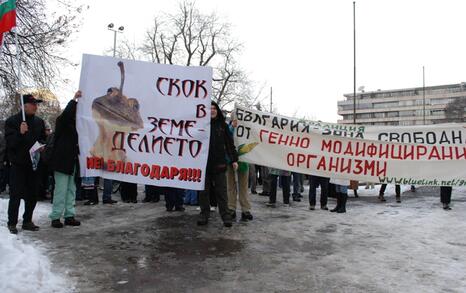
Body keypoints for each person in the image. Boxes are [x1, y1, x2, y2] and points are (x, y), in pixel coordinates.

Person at [5, 94, 46, 234]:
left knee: (32, 194)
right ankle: (12, 223)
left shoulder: (39, 122)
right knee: (15, 195)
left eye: (36, 104)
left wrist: (41, 146)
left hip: (33, 164)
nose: (36, 106)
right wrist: (20, 133)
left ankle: (27, 220)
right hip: (18, 164)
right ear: (23, 106)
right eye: (32, 103)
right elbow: (11, 143)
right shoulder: (12, 121)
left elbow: (42, 139)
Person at [197, 102, 238, 227]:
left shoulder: (223, 125)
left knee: (221, 192)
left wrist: (234, 159)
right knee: (204, 192)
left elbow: (229, 143)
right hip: (204, 164)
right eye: (210, 109)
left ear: (218, 111)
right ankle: (204, 214)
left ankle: (225, 216)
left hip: (220, 164)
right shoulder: (202, 125)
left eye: (215, 108)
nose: (213, 110)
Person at [49, 91, 82, 228]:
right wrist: (73, 100)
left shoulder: (77, 126)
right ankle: (56, 217)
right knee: (61, 190)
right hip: (62, 162)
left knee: (70, 190)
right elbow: (66, 115)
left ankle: (69, 215)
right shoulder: (62, 122)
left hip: (72, 162)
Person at [226, 118, 253, 221]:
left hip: (243, 160)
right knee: (230, 186)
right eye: (234, 118)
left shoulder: (247, 129)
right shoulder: (229, 128)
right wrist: (233, 126)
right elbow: (227, 138)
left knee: (243, 186)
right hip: (229, 159)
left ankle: (245, 210)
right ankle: (231, 208)